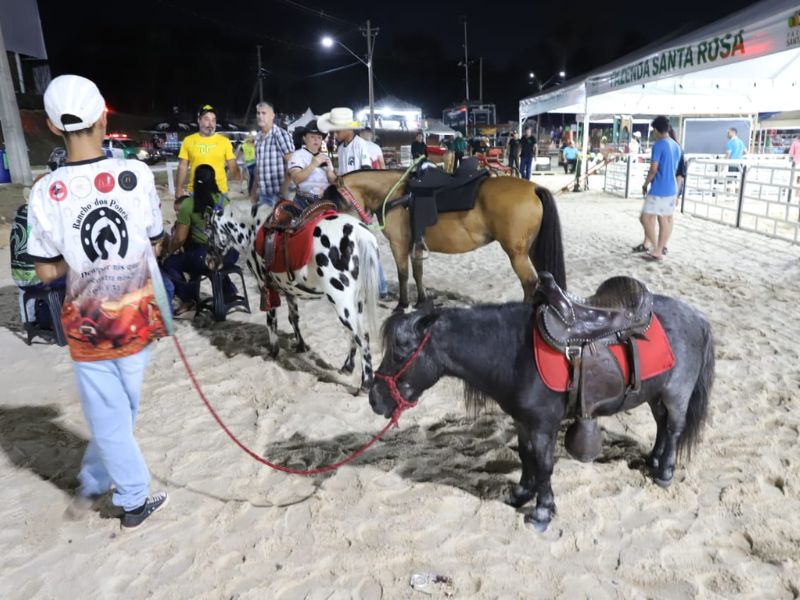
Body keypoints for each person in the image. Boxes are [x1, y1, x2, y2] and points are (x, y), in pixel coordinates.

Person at [26, 75, 171, 529]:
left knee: (113, 415)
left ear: (52, 125)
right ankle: (130, 498)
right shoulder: (137, 175)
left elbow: (45, 270)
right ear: (104, 116)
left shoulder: (45, 192)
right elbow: (155, 240)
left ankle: (97, 482)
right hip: (137, 317)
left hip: (87, 326)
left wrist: (81, 262)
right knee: (119, 413)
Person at [318, 107, 389, 296]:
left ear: (349, 129)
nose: (335, 133)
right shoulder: (342, 148)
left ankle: (380, 286)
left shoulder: (360, 145)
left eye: (337, 129)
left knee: (366, 243)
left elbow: (366, 175)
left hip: (358, 204)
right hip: (348, 203)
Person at [162, 165, 239, 313]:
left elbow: (179, 239)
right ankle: (229, 292)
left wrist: (168, 252)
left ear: (194, 181)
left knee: (171, 263)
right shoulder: (225, 201)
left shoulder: (188, 204)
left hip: (204, 257)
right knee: (213, 262)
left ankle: (188, 299)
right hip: (231, 255)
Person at [638, 115, 682, 262]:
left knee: (645, 218)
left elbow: (653, 169)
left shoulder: (658, 145)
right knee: (666, 219)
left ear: (656, 130)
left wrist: (645, 184)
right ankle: (659, 248)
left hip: (659, 188)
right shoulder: (676, 145)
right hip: (672, 188)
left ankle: (657, 248)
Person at [175, 104, 239, 202]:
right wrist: (179, 188)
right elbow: (183, 166)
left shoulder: (224, 141)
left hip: (220, 192)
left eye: (213, 120)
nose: (211, 124)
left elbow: (232, 164)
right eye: (206, 119)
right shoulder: (188, 141)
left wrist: (240, 179)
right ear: (199, 120)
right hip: (196, 191)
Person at [251, 101, 294, 209]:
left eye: (264, 113)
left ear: (272, 116)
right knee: (265, 225)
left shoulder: (280, 135)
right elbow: (259, 168)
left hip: (279, 195)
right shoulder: (257, 139)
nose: (260, 116)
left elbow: (292, 164)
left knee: (281, 225)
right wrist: (254, 190)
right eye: (258, 113)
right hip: (264, 194)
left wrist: (283, 191)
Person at [288, 120, 337, 208]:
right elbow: (296, 179)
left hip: (325, 200)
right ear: (304, 138)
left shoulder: (325, 157)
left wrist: (329, 172)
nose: (316, 140)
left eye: (319, 137)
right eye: (312, 136)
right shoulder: (297, 155)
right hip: (304, 201)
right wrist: (313, 165)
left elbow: (334, 182)